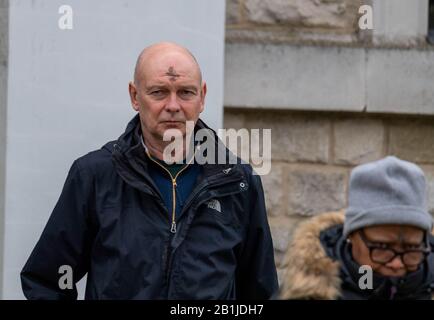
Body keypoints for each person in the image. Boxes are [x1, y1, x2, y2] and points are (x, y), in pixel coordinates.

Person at [21, 42, 278, 300]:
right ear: (135, 96)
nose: (173, 105)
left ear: (202, 97)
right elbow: (47, 280)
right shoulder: (94, 176)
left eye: (186, 92)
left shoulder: (237, 181)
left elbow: (260, 292)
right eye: (159, 92)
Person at [280, 156, 434, 300]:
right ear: (351, 236)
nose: (397, 264)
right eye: (381, 247)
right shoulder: (306, 293)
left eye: (412, 248)